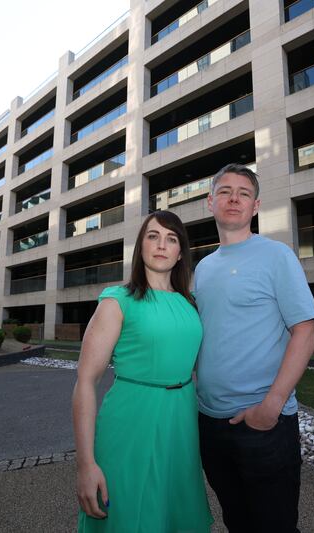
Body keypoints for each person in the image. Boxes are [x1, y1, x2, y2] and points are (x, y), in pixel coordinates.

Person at [195, 163, 314, 532]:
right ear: (210, 202)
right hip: (210, 423)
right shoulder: (201, 268)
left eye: (243, 193)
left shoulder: (276, 256)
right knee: (237, 522)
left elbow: (306, 332)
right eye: (225, 191)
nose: (234, 198)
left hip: (264, 425)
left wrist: (271, 406)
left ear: (256, 206)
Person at [72, 211, 212, 533]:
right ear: (141, 247)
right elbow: (85, 382)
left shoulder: (190, 303)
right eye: (153, 236)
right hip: (132, 422)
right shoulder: (117, 300)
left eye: (171, 239)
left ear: (180, 253)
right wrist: (85, 464)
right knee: (129, 515)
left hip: (183, 424)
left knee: (179, 515)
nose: (162, 245)